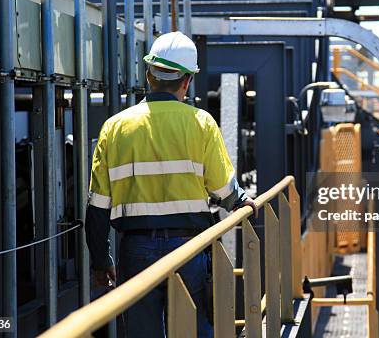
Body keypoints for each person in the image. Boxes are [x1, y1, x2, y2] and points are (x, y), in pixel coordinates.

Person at [85, 31, 256, 338]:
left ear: (148, 75)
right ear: (187, 81)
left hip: (136, 249)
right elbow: (222, 189)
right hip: (188, 247)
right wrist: (242, 199)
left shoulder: (115, 127)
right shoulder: (201, 123)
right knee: (193, 329)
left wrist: (100, 260)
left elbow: (97, 207)